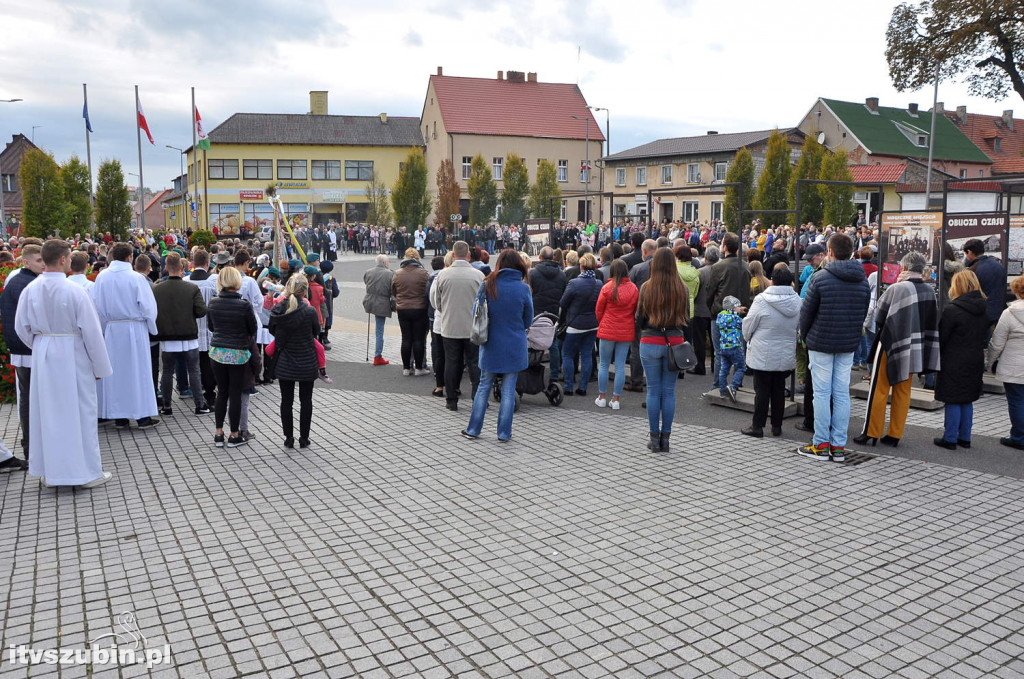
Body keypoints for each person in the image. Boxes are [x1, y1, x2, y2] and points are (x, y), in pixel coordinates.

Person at [14, 239, 113, 487]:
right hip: (73, 354)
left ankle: (51, 472)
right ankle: (86, 473)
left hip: (44, 355)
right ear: (62, 259)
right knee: (80, 412)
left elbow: (21, 328)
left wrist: (41, 347)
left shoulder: (31, 289)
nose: (70, 260)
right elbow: (92, 333)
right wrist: (100, 367)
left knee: (48, 413)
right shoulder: (75, 291)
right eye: (68, 256)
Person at [797, 233, 870, 462]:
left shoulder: (821, 278)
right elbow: (863, 312)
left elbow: (806, 314)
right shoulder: (862, 280)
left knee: (821, 393)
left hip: (821, 342)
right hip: (847, 343)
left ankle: (821, 443)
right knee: (841, 394)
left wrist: (806, 337)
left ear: (829, 252)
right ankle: (838, 446)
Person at [855, 251, 940, 448]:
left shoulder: (898, 288)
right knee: (903, 390)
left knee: (879, 389)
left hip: (891, 345)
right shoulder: (929, 290)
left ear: (904, 267)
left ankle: (871, 431)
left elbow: (880, 316)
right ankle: (894, 434)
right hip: (914, 348)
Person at [461, 250, 533, 442]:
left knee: (484, 386)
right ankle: (503, 433)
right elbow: (528, 320)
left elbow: (475, 314)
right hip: (514, 344)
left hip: (490, 342)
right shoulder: (523, 288)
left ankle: (474, 429)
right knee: (509, 390)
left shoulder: (487, 284)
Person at [91, 243, 160, 429]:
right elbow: (148, 307)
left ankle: (119, 416)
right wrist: (150, 327)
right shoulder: (136, 278)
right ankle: (141, 416)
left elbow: (97, 306)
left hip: (112, 330)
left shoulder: (102, 277)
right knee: (137, 373)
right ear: (130, 257)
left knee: (117, 375)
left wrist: (105, 327)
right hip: (134, 329)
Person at [636, 248, 691, 452]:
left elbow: (639, 319)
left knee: (653, 390)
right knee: (668, 392)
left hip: (650, 340)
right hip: (674, 341)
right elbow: (687, 318)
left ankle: (654, 438)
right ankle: (666, 438)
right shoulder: (682, 288)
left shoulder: (646, 287)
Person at [741, 267, 801, 437]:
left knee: (762, 391)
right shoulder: (797, 300)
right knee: (778, 390)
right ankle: (777, 426)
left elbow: (748, 325)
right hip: (785, 351)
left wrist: (748, 339)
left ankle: (757, 426)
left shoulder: (762, 300)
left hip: (762, 352)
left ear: (772, 281)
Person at [933, 270, 988, 449]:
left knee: (953, 398)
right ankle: (965, 437)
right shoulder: (984, 308)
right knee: (967, 398)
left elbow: (942, 338)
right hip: (975, 357)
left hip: (954, 359)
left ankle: (950, 438)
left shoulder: (952, 309)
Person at [153, 252, 211, 416]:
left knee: (167, 372)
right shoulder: (191, 288)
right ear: (181, 267)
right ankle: (200, 405)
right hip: (188, 334)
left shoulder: (157, 289)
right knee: (193, 370)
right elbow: (201, 311)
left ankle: (166, 406)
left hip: (167, 335)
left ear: (165, 267)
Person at [430, 241, 485, 411]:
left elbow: (436, 303)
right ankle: (477, 397)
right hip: (471, 327)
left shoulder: (443, 275)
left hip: (450, 325)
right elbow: (483, 303)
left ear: (453, 254)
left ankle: (451, 399)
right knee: (474, 362)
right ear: (468, 254)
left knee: (451, 362)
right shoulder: (478, 275)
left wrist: (446, 310)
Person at [206, 266, 257, 448]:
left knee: (222, 392)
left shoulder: (212, 302)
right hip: (238, 352)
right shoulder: (244, 305)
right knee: (235, 393)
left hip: (217, 351)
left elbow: (211, 327)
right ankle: (234, 435)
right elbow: (252, 329)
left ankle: (218, 433)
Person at [0, 243, 43, 461]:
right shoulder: (27, 284)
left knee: (29, 399)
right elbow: (31, 322)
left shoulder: (18, 281)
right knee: (33, 401)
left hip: (22, 349)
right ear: (25, 262)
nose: (43, 265)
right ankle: (33, 448)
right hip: (29, 350)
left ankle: (32, 447)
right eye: (38, 261)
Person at [268, 275, 320, 448]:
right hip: (307, 360)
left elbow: (272, 330)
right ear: (305, 291)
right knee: (306, 400)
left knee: (286, 401)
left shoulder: (279, 310)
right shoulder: (310, 311)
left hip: (285, 361)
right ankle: (304, 437)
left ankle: (288, 437)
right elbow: (315, 332)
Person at [707, 233, 751, 392]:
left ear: (725, 247)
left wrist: (713, 309)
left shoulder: (718, 267)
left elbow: (710, 291)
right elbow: (747, 292)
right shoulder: (745, 265)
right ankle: (736, 383)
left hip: (720, 314)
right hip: (739, 314)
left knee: (720, 352)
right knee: (738, 350)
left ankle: (718, 384)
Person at [594, 259, 638, 410]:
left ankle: (601, 397)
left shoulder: (607, 288)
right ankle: (616, 399)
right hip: (626, 329)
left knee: (604, 364)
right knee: (620, 365)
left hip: (607, 328)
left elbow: (599, 310)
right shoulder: (633, 289)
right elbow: (634, 311)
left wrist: (603, 322)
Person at [987, 275, 1024, 450]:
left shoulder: (1010, 313)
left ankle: (1018, 436)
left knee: (1016, 400)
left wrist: (990, 362)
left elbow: (997, 343)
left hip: (1013, 365)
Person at [559, 253, 602, 397]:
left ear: (581, 266)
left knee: (567, 355)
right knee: (587, 355)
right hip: (592, 324)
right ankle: (583, 387)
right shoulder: (598, 283)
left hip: (575, 324)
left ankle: (569, 386)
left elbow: (563, 303)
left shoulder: (574, 283)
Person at [529, 247, 568, 383]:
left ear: (539, 257)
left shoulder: (532, 274)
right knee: (553, 344)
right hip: (553, 313)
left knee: (531, 342)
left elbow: (528, 293)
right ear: (553, 258)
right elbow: (564, 294)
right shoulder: (562, 274)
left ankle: (529, 370)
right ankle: (554, 375)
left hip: (536, 313)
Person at [625, 239, 658, 392]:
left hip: (641, 313)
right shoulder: (666, 269)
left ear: (644, 252)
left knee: (637, 348)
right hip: (662, 313)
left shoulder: (638, 269)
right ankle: (655, 382)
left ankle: (636, 381)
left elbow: (629, 291)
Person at [392, 248, 431, 376]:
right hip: (419, 308)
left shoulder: (397, 273)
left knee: (406, 338)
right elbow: (428, 291)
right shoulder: (424, 273)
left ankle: (406, 368)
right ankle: (419, 367)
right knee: (418, 339)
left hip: (403, 308)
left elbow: (393, 291)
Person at [963, 238, 1007, 331]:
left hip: (981, 315)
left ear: (969, 252)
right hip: (998, 313)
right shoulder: (998, 265)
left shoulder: (973, 270)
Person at [362, 254, 394, 366]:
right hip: (382, 303)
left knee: (378, 329)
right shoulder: (390, 273)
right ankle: (377, 356)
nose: (389, 263)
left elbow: (366, 282)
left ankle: (377, 355)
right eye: (388, 261)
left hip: (370, 301)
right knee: (379, 330)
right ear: (385, 262)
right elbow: (392, 289)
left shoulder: (368, 271)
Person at [426, 254, 449, 398]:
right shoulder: (476, 275)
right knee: (456, 356)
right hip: (463, 322)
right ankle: (455, 388)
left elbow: (433, 300)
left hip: (440, 320)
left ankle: (440, 386)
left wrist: (440, 309)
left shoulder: (436, 278)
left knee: (439, 352)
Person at [715, 296, 746, 402]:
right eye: (738, 306)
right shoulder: (737, 319)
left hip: (723, 348)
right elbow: (744, 326)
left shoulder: (720, 316)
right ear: (732, 308)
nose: (739, 308)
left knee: (723, 370)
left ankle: (722, 391)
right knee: (741, 367)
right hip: (735, 347)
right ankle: (733, 386)